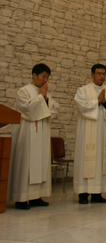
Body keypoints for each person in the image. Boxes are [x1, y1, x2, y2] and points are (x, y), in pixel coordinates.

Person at [8, 63, 59, 210]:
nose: (45, 80)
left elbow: (54, 109)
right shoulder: (23, 91)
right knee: (26, 164)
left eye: (47, 78)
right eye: (43, 76)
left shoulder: (45, 93)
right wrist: (41, 97)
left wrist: (46, 99)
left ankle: (36, 196)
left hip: (42, 132)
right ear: (34, 75)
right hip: (27, 132)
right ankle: (21, 198)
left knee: (41, 163)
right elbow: (27, 108)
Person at [74, 64, 106, 204]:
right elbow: (81, 106)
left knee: (101, 159)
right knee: (86, 159)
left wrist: (105, 103)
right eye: (99, 73)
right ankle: (83, 193)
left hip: (103, 131)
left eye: (104, 74)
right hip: (87, 132)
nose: (102, 76)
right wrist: (97, 102)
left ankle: (97, 193)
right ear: (92, 74)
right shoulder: (83, 90)